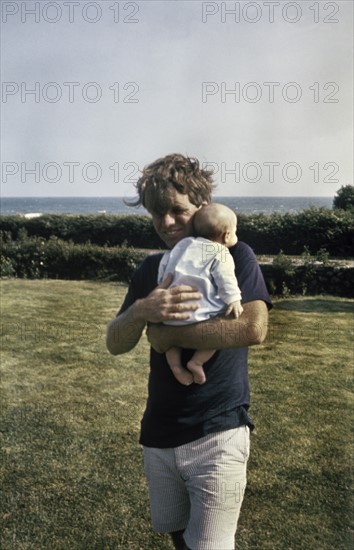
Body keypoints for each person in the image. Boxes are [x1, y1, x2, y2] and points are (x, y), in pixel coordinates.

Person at [106, 153, 272, 550]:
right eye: (156, 214)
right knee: (179, 539)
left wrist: (168, 338)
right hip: (160, 432)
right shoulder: (152, 268)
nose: (166, 224)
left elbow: (252, 328)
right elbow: (115, 342)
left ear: (201, 205)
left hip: (219, 430)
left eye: (177, 211)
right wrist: (143, 311)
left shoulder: (234, 255)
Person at [158, 203, 243, 386]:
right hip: (200, 314)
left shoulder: (182, 246)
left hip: (171, 314)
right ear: (227, 235)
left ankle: (175, 366)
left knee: (171, 344)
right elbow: (225, 278)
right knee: (217, 334)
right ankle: (196, 362)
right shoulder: (220, 252)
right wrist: (233, 299)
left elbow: (165, 264)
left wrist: (161, 286)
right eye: (235, 232)